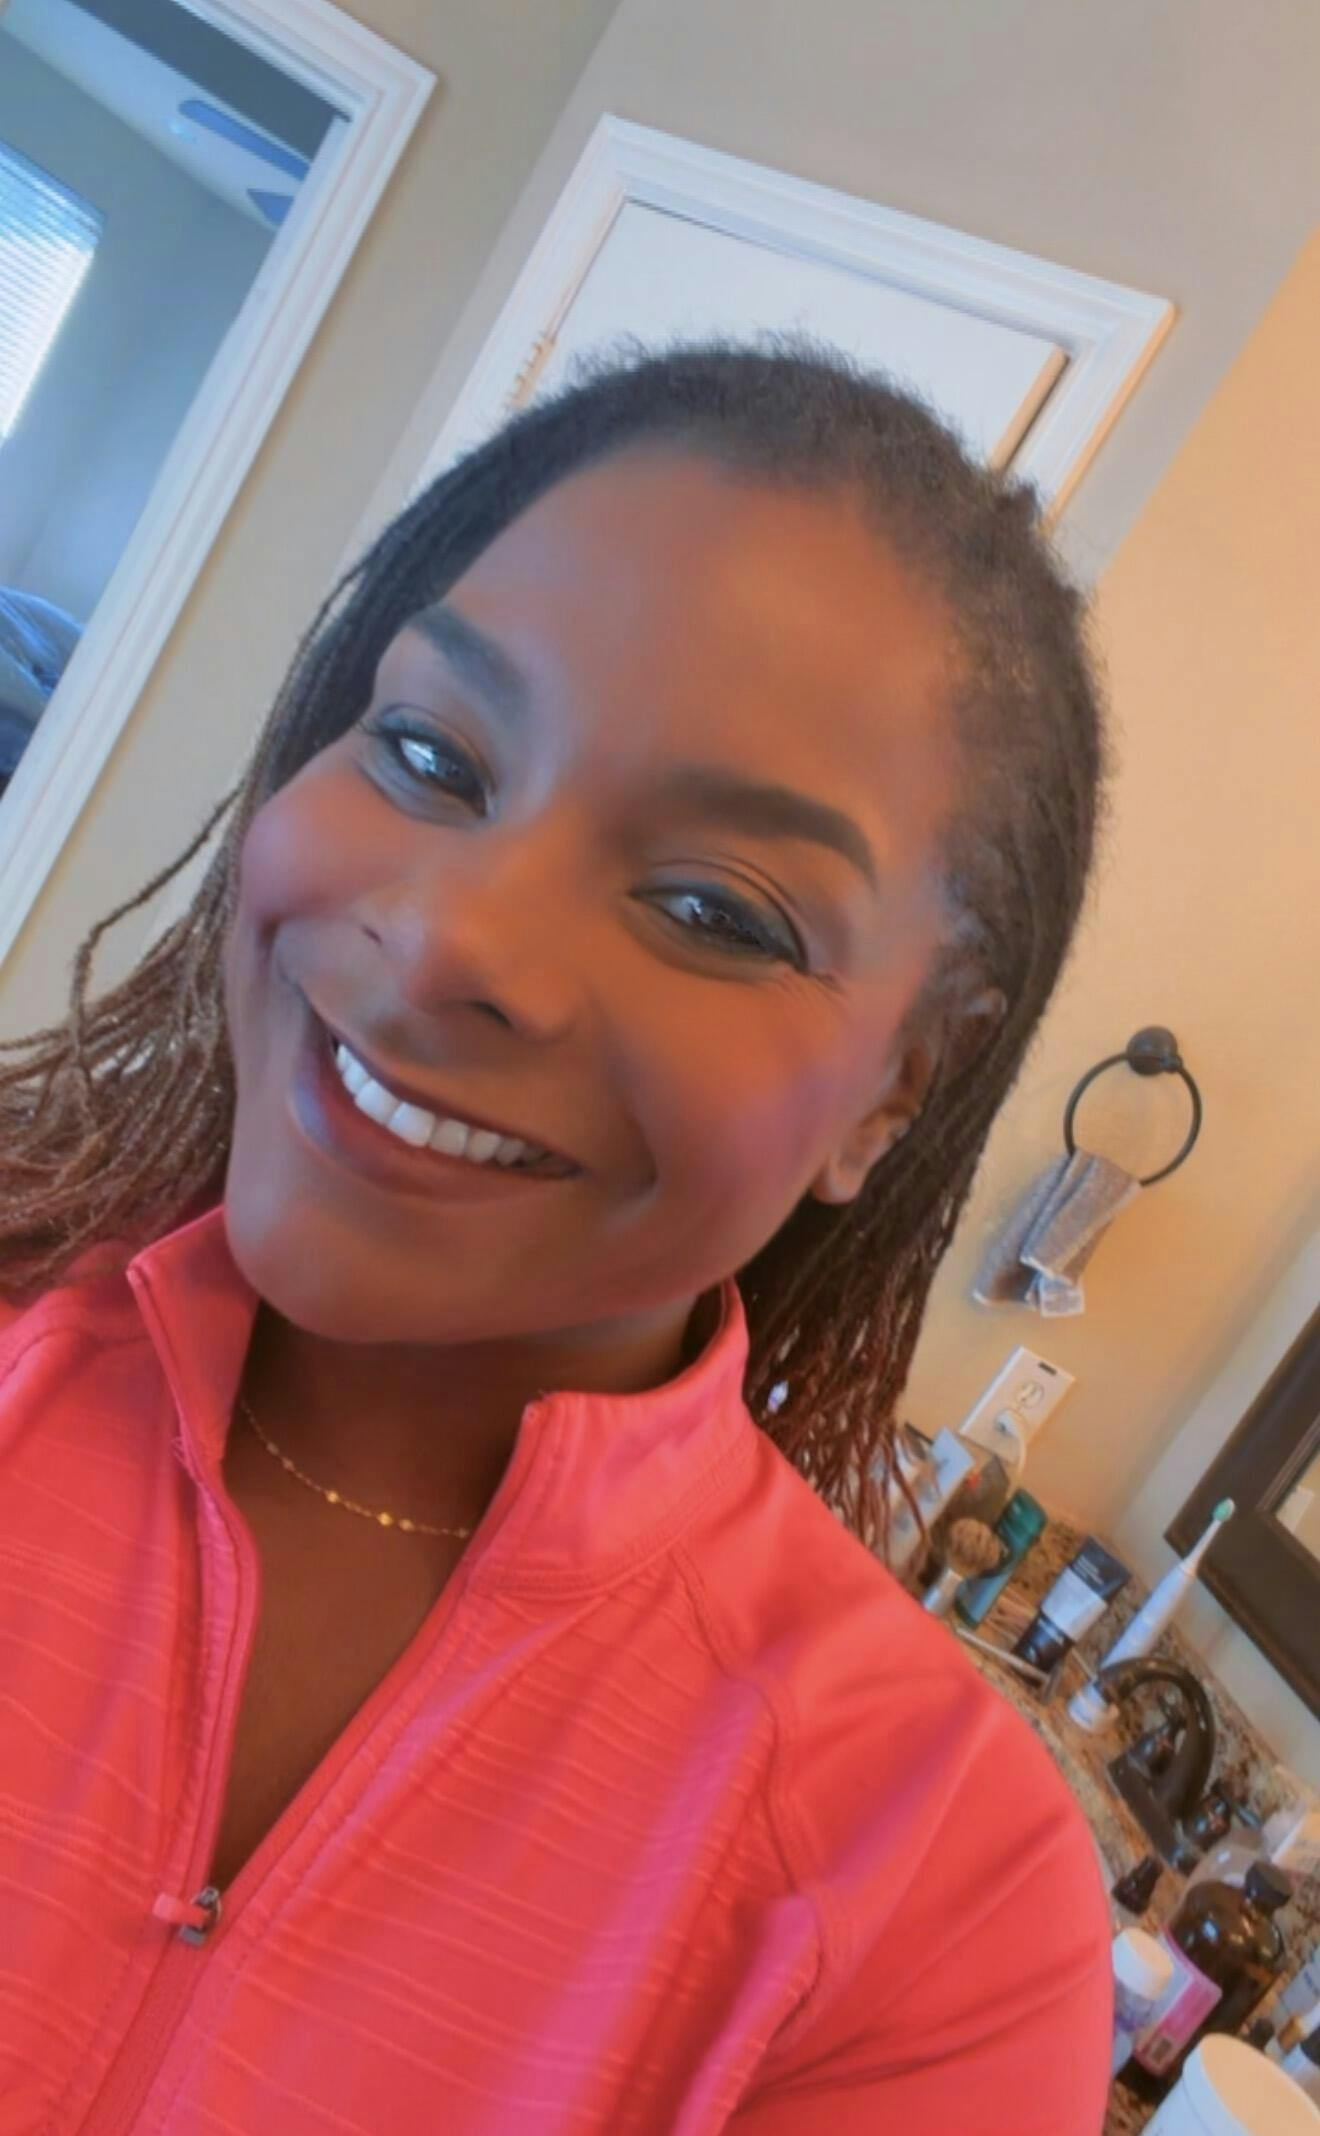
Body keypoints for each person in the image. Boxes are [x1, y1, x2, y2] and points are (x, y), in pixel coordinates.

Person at [0, 341, 1113, 2132]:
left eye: (713, 911)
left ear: (899, 1086)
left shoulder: (937, 1913)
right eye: (429, 754)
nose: (453, 940)